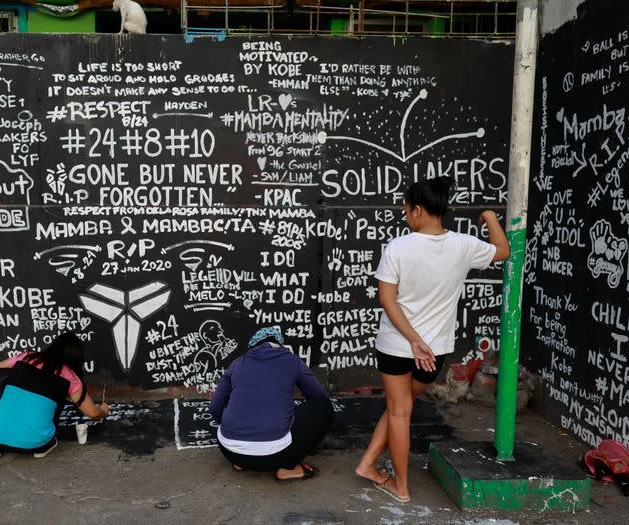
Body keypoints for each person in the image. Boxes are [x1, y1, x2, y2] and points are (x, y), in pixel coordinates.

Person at [354, 176, 510, 502]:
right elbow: (503, 251)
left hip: (397, 346)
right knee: (402, 407)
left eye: (407, 209)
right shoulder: (464, 245)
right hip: (434, 353)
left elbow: (387, 300)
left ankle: (401, 486)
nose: (405, 215)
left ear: (418, 210)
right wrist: (491, 218)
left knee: (399, 410)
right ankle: (368, 464)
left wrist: (412, 340)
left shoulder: (398, 246)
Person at [210, 327, 335, 482]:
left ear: (252, 346)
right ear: (279, 345)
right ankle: (287, 469)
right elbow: (319, 398)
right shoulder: (292, 360)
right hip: (277, 456)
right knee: (324, 408)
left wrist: (238, 430)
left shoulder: (237, 364)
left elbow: (215, 407)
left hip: (229, 451)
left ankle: (240, 464)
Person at [0, 332, 110, 459]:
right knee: (54, 406)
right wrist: (104, 409)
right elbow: (93, 413)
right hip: (37, 442)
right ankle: (42, 445)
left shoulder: (28, 356)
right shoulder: (71, 378)